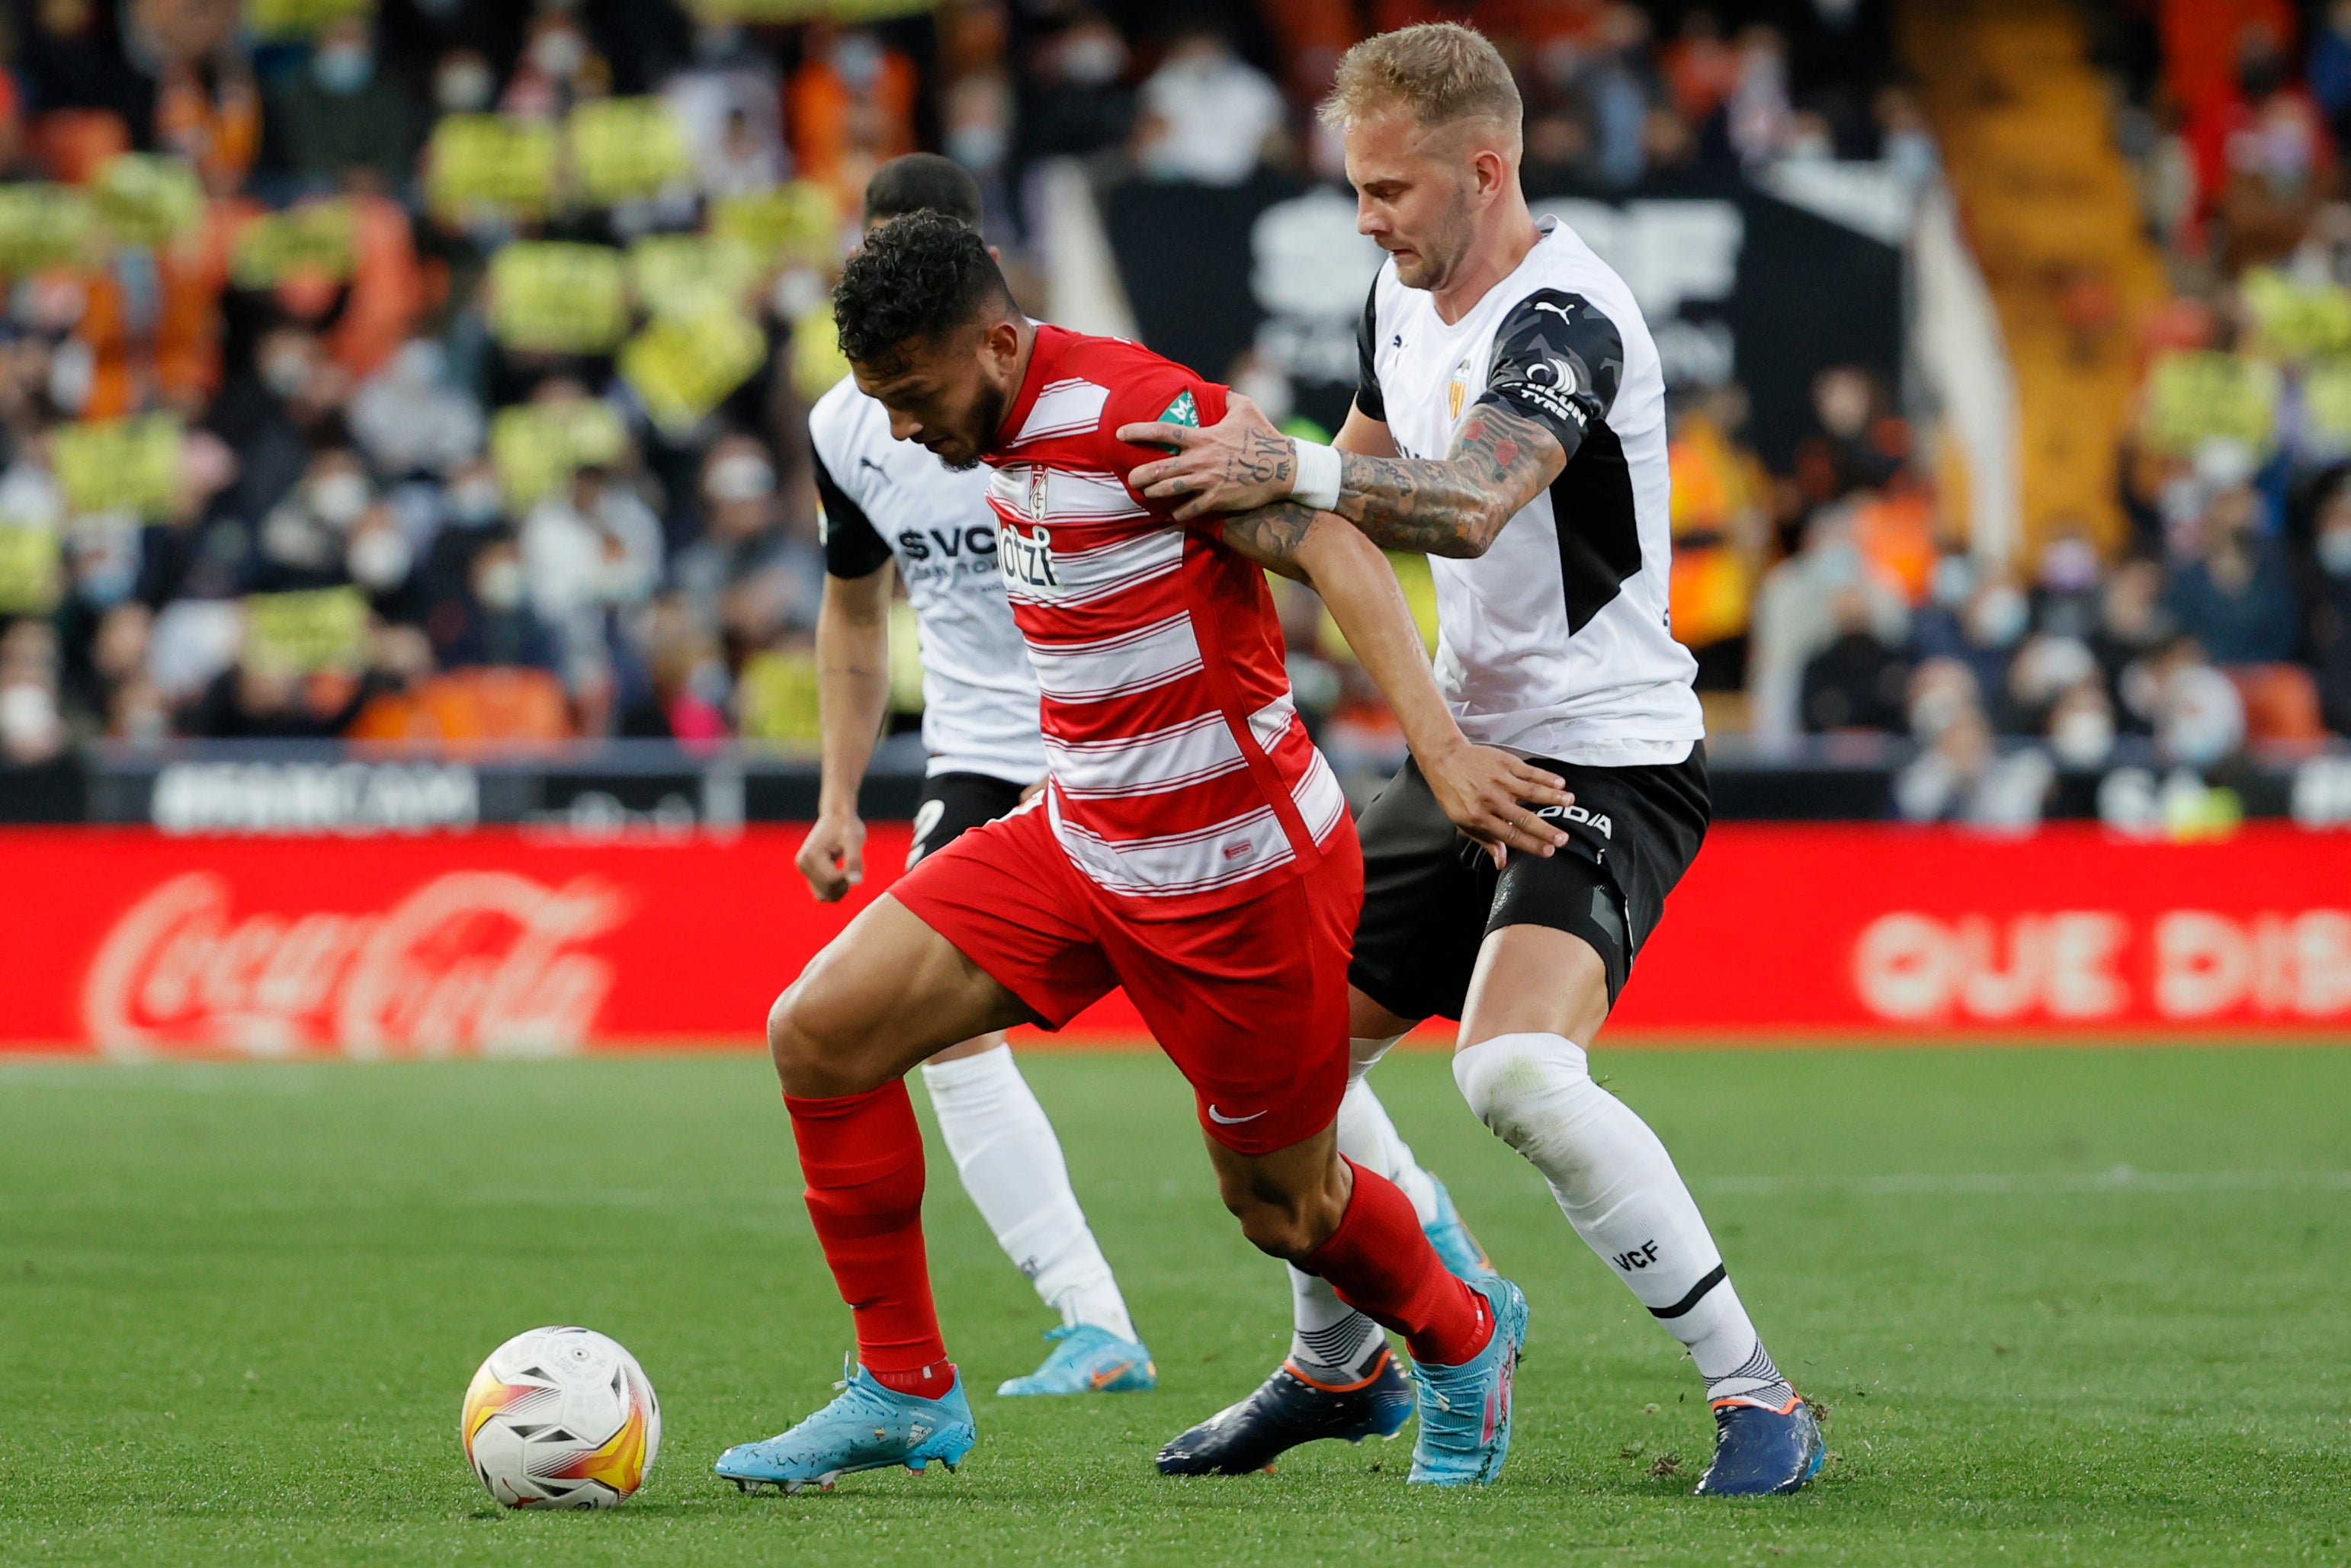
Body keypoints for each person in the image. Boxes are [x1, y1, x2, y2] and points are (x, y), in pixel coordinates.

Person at [715, 210, 1567, 1495]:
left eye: (913, 395)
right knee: (817, 1032)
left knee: (1287, 1207)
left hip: (1240, 878)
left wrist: (1440, 753)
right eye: (876, 401)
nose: (899, 428)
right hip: (1080, 840)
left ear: (998, 343)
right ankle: (902, 1383)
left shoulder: (1141, 419)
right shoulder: (991, 422)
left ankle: (1461, 1332)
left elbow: (1330, 538)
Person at [1115, 22, 1822, 1496]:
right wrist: (1207, 504)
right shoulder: (1398, 291)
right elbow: (1354, 501)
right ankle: (1343, 1359)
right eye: (1357, 189)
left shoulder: (1566, 317)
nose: (1366, 219)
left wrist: (1294, 466)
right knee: (1282, 1064)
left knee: (1513, 1073)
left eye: (1389, 190)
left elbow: (1471, 501)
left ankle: (1760, 1393)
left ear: (1483, 169)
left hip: (1608, 762)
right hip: (1465, 753)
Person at [797, 153, 1156, 1399]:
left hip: (1123, 738)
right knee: (929, 1037)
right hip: (985, 754)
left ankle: (1424, 1238)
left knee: (1218, 1023)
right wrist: (840, 797)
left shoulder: (1082, 388)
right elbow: (854, 617)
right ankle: (1093, 1317)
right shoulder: (853, 425)